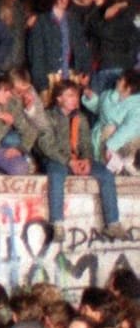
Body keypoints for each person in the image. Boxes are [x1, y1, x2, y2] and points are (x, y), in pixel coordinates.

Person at [29, 75, 119, 231]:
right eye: (70, 95)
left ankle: (113, 223)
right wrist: (68, 161)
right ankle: (57, 223)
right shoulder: (48, 116)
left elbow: (86, 144)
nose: (75, 99)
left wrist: (86, 160)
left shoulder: (80, 118)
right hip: (56, 160)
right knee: (57, 174)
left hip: (77, 161)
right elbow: (46, 145)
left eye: (76, 95)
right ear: (58, 98)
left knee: (106, 174)